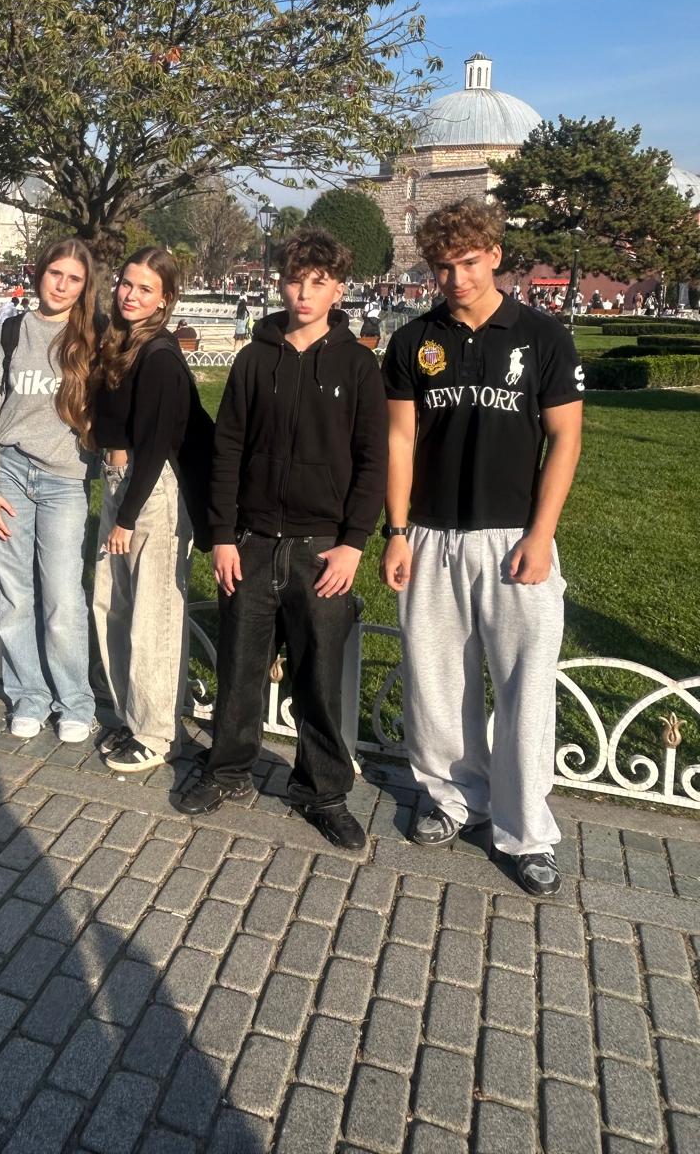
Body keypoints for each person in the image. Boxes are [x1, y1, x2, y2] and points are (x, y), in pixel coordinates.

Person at [380, 198, 584, 897]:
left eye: (468, 262)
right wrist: (397, 530)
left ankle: (526, 831)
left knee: (526, 687)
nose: (456, 278)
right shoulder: (414, 341)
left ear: (495, 255)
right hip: (432, 535)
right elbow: (400, 440)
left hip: (514, 538)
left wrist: (542, 533)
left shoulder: (542, 336)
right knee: (435, 681)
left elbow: (565, 438)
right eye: (442, 267)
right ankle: (452, 798)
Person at [180, 231, 387, 849]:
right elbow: (227, 449)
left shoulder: (357, 366)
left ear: (339, 289)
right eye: (296, 280)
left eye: (319, 282)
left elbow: (372, 460)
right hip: (252, 539)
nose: (305, 292)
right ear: (280, 283)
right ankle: (228, 769)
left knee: (318, 677)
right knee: (240, 667)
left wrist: (353, 543)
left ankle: (321, 790)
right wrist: (221, 536)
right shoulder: (255, 359)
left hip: (321, 549)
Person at [0, 239, 101, 741]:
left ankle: (75, 701)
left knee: (62, 596)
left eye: (73, 278)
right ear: (39, 273)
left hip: (65, 479)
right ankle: (28, 695)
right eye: (54, 273)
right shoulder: (11, 331)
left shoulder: (95, 335)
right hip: (10, 474)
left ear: (85, 286)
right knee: (16, 593)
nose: (61, 285)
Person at [92, 247, 214, 773]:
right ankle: (133, 713)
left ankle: (157, 732)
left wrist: (126, 516)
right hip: (120, 482)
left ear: (165, 299)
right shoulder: (121, 343)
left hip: (151, 491)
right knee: (112, 604)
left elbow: (159, 443)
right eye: (127, 283)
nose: (131, 295)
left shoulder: (160, 355)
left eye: (145, 289)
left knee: (152, 614)